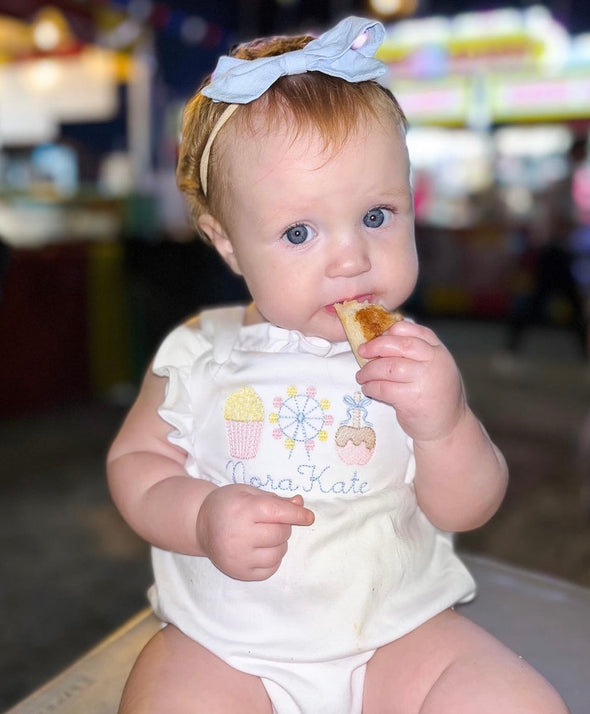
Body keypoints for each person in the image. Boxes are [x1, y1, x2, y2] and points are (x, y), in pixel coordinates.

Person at [107, 17, 569, 714]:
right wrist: (200, 516)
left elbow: (467, 506)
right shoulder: (200, 351)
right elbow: (136, 464)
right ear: (228, 244)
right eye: (299, 232)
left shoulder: (410, 359)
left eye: (377, 216)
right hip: (229, 649)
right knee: (166, 695)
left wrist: (444, 426)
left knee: (518, 702)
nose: (351, 257)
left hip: (399, 636)